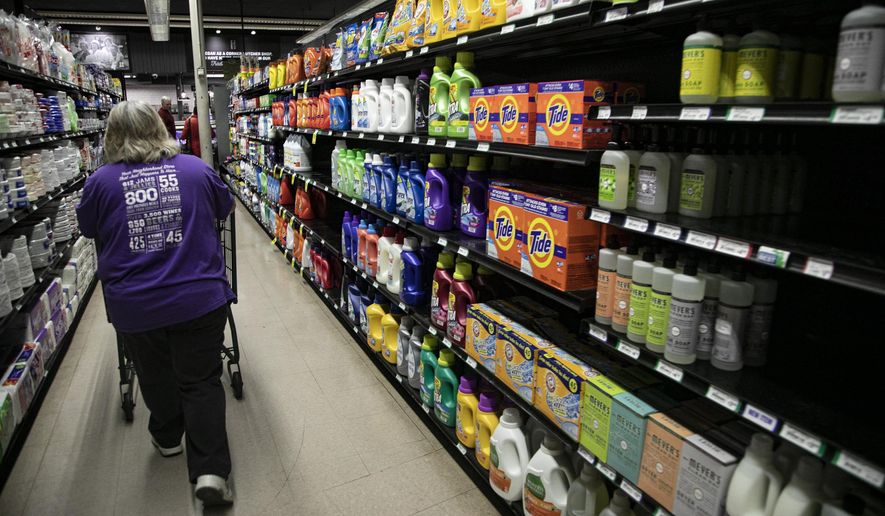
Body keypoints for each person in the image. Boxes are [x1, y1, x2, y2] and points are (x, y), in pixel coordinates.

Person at [75, 101, 236, 507]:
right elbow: (225, 207)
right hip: (199, 296)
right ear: (160, 128)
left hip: (136, 305)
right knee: (200, 380)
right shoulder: (196, 170)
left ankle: (167, 438)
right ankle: (211, 472)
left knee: (155, 373)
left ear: (111, 137)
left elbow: (87, 227)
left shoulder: (100, 183)